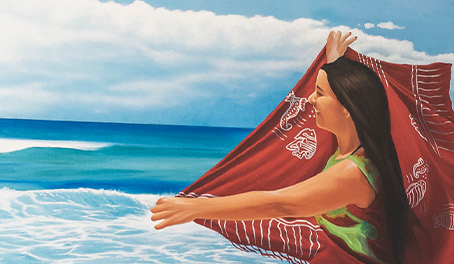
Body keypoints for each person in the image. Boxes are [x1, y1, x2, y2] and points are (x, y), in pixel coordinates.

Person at [151, 31, 415, 264]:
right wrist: (334, 63)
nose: (310, 100)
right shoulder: (350, 144)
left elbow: (279, 205)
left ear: (347, 109)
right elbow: (346, 100)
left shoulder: (354, 174)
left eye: (319, 94)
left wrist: (195, 208)